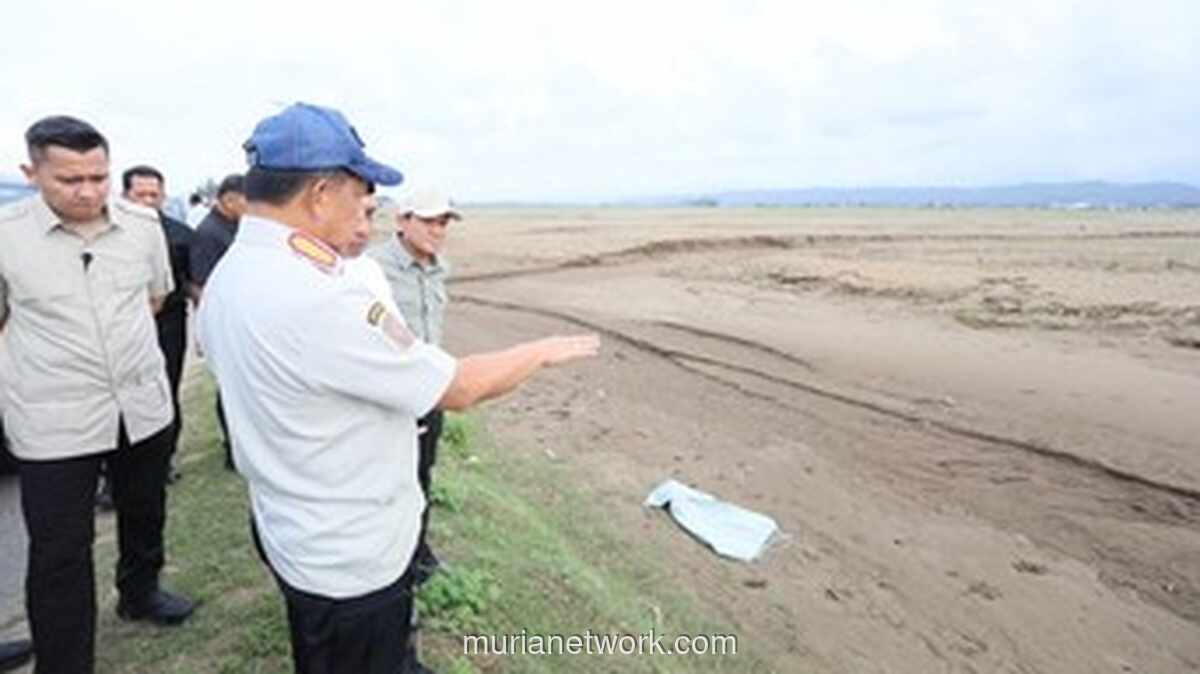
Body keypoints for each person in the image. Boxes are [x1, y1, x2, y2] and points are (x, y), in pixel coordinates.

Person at [198, 102, 599, 674]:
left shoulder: (232, 275)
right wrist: (537, 351)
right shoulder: (317, 295)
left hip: (293, 527)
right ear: (319, 193)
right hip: (349, 556)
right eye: (360, 196)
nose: (365, 212)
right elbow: (456, 387)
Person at [0, 115, 195, 674]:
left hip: (140, 404)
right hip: (54, 419)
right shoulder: (7, 236)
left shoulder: (141, 225)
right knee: (60, 551)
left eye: (98, 177)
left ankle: (140, 592)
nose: (87, 192)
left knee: (144, 507)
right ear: (31, 173)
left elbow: (156, 297)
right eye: (69, 180)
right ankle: (64, 661)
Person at [369, 188, 459, 583]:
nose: (437, 230)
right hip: (388, 398)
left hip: (429, 392)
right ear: (402, 221)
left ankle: (417, 551)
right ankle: (389, 561)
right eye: (428, 221)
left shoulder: (440, 267)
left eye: (443, 222)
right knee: (388, 482)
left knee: (422, 474)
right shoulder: (373, 269)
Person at [123, 165, 196, 482]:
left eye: (154, 194)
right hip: (122, 327)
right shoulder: (110, 235)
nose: (148, 200)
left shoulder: (181, 235)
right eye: (141, 194)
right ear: (126, 194)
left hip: (168, 324)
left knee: (166, 388)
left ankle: (164, 459)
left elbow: (194, 281)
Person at [190, 173, 245, 469]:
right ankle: (232, 449)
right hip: (224, 322)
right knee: (229, 387)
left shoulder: (234, 226)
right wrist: (209, 328)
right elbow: (201, 285)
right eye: (245, 201)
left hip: (237, 319)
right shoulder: (209, 233)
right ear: (228, 199)